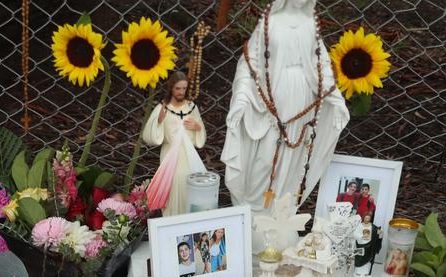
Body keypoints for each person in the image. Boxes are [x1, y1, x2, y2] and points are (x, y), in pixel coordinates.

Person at [222, 0, 349, 210]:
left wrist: (336, 100)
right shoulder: (269, 22)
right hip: (273, 99)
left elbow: (322, 65)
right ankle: (254, 210)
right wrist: (242, 98)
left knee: (295, 156)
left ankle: (281, 212)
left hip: (303, 98)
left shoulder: (310, 23)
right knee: (265, 157)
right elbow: (250, 62)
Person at [142, 71, 207, 216]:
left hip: (188, 153)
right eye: (178, 88)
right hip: (169, 153)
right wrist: (159, 121)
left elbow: (200, 129)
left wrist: (197, 127)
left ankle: (190, 216)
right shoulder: (162, 108)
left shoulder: (191, 107)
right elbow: (148, 135)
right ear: (171, 88)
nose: (181, 92)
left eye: (184, 88)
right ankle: (172, 218)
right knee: (171, 184)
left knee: (188, 182)